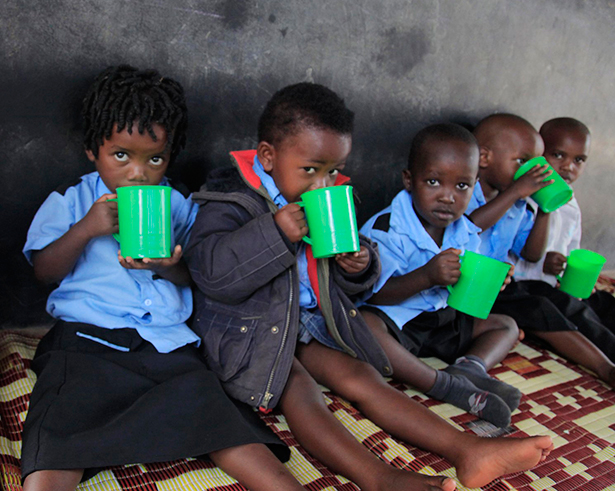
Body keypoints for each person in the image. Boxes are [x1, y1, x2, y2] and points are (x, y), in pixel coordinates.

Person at [185, 83, 553, 491]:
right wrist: (276, 231)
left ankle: (469, 450)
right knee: (303, 392)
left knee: (362, 378)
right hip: (249, 330)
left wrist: (359, 265)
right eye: (310, 169)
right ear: (268, 157)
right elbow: (211, 274)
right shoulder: (228, 200)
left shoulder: (326, 197)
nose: (322, 185)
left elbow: (347, 282)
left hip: (309, 321)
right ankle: (380, 478)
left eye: (331, 171)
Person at [20, 65, 302, 491]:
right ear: (92, 150)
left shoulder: (178, 204)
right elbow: (43, 271)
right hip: (87, 342)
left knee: (217, 411)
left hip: (168, 345)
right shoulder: (74, 200)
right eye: (121, 156)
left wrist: (164, 265)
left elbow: (195, 276)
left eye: (155, 158)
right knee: (58, 425)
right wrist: (86, 229)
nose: (138, 173)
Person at [359, 123, 521, 428]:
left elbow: (465, 291)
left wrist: (490, 283)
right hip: (400, 324)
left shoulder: (465, 230)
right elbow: (372, 293)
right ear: (409, 180)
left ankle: (471, 367)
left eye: (462, 186)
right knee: (366, 325)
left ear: (474, 185)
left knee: (506, 325)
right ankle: (443, 385)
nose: (448, 197)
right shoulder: (386, 229)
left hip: (443, 320)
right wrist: (427, 276)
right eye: (434, 182)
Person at [467, 113, 615, 386]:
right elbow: (468, 227)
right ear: (485, 158)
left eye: (579, 160)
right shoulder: (466, 191)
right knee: (542, 305)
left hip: (505, 285)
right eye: (524, 162)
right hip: (474, 289)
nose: (568, 167)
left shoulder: (520, 205)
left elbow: (531, 253)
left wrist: (546, 207)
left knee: (597, 302)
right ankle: (606, 367)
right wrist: (517, 193)